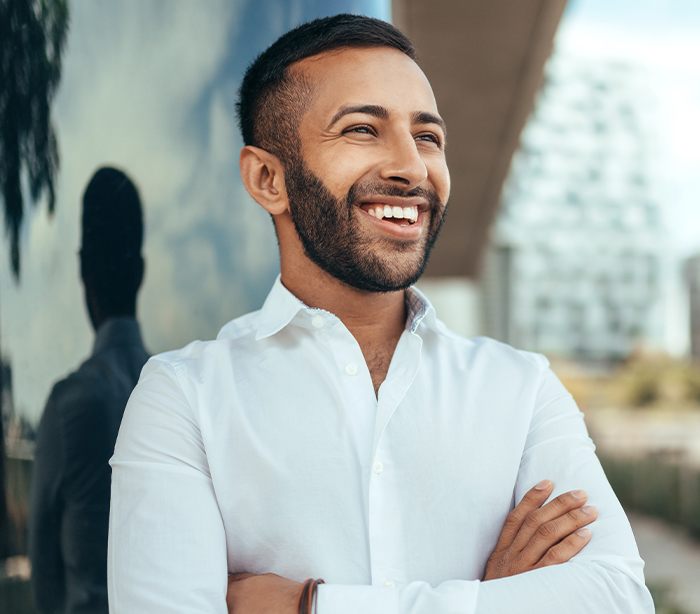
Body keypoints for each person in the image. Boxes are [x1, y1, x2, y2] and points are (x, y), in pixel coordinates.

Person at [107, 14, 653, 614]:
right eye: (363, 129)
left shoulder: (523, 390)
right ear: (267, 178)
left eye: (427, 137)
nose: (412, 168)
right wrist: (494, 600)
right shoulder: (183, 399)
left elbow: (618, 599)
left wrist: (311, 606)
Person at [30, 167, 149, 613]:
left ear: (82, 269)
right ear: (140, 271)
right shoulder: (176, 394)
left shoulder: (70, 404)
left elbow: (43, 575)